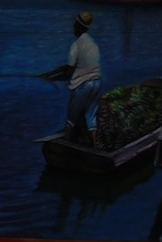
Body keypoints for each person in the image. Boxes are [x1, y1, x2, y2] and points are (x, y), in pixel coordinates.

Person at [41, 12, 102, 148]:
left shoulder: (76, 45)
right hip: (96, 84)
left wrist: (53, 79)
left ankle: (66, 148)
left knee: (71, 120)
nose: (73, 27)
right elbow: (70, 66)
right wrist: (49, 74)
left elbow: (69, 72)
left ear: (80, 26)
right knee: (91, 119)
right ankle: (97, 149)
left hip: (82, 86)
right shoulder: (93, 45)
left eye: (75, 24)